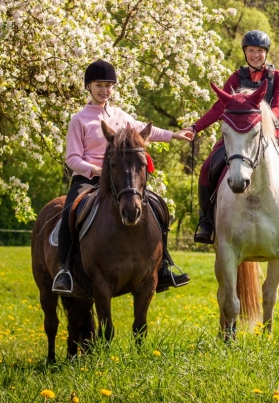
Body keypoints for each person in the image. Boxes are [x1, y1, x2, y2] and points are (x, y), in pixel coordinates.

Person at [52, 60, 194, 294]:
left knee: (159, 207)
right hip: (89, 179)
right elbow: (72, 158)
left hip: (121, 180)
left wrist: (174, 135)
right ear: (89, 86)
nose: (104, 90)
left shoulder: (120, 116)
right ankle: (65, 270)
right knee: (69, 211)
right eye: (99, 85)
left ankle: (164, 266)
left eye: (108, 86)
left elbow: (147, 130)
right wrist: (96, 170)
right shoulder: (79, 119)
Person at [188, 30, 279, 244]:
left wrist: (264, 124)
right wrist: (195, 127)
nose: (256, 55)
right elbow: (219, 108)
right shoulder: (235, 78)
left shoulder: (278, 76)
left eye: (260, 51)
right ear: (245, 52)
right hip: (238, 136)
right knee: (207, 167)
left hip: (274, 133)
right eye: (251, 50)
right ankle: (206, 222)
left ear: (266, 53)